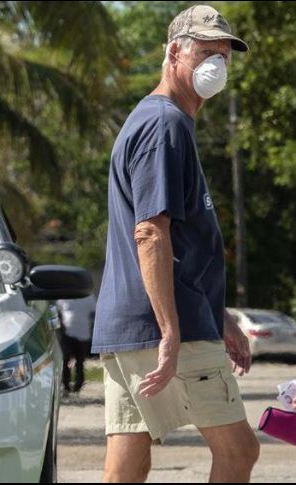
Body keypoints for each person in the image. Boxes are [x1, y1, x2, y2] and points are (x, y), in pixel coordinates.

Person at [92, 5, 260, 483]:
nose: (217, 66)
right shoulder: (164, 125)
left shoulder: (161, 121)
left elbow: (181, 243)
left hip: (138, 323)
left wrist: (219, 314)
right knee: (239, 451)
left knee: (129, 458)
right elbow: (150, 232)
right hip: (168, 326)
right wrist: (171, 332)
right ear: (174, 52)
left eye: (224, 57)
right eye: (206, 53)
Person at [57, 294, 96, 395]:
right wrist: (60, 327)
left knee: (80, 361)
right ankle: (66, 385)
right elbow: (58, 312)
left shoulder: (88, 296)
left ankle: (78, 385)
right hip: (67, 334)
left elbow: (94, 312)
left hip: (83, 335)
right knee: (65, 360)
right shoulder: (64, 297)